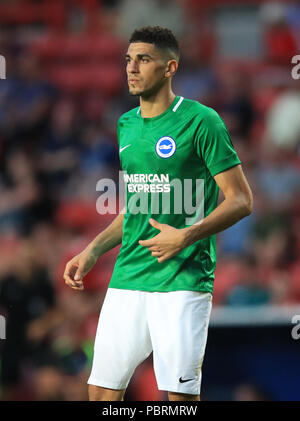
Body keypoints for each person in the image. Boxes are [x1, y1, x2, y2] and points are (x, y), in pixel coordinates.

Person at [63, 26, 253, 401]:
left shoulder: (202, 121)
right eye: (128, 60)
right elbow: (136, 206)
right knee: (101, 393)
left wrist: (185, 235)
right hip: (128, 276)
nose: (132, 68)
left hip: (183, 280)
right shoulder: (126, 124)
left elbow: (241, 200)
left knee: (179, 400)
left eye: (144, 60)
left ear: (170, 68)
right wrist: (93, 250)